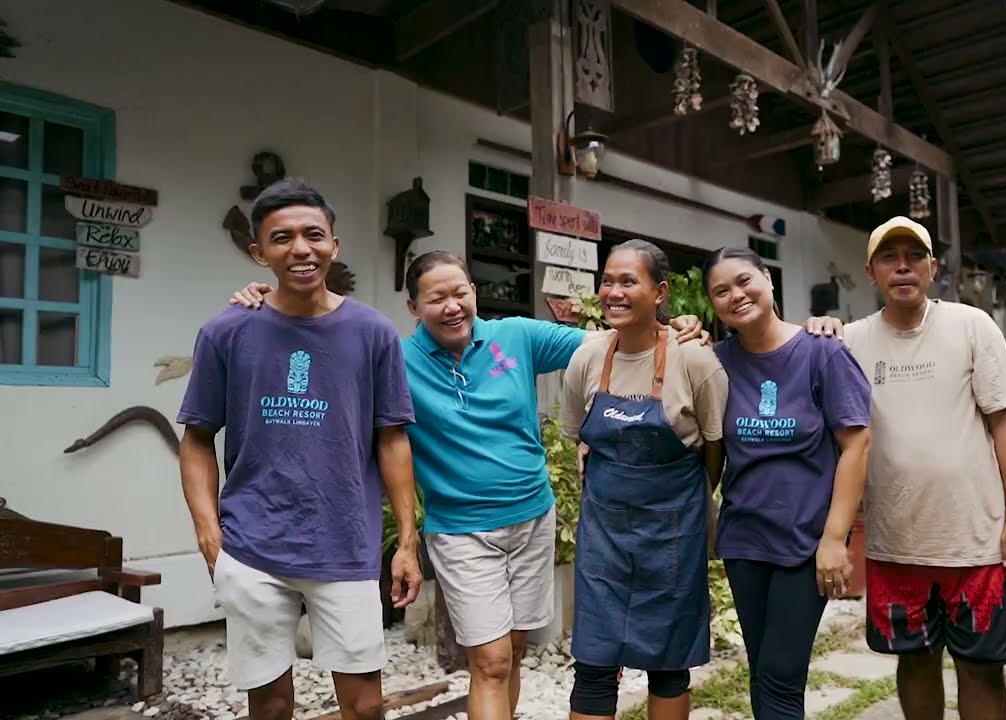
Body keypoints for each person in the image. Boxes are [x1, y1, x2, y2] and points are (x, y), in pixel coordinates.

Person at [226, 251, 707, 720]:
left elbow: (610, 341)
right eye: (436, 298)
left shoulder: (515, 335)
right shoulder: (395, 360)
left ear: (475, 293)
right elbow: (318, 354)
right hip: (461, 530)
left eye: (460, 293)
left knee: (513, 652)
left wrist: (675, 324)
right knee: (491, 660)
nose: (452, 306)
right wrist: (272, 305)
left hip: (532, 519)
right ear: (413, 308)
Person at [178, 178, 423, 720]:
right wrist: (209, 536)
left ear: (335, 245)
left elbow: (392, 437)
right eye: (282, 238)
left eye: (314, 235)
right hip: (252, 548)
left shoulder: (373, 332)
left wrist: (406, 541)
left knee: (363, 704)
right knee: (269, 703)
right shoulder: (227, 330)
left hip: (346, 544)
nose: (300, 249)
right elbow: (197, 436)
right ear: (258, 252)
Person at [805, 216, 1006, 720]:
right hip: (895, 544)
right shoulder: (849, 341)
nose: (904, 266)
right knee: (913, 661)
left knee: (981, 667)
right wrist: (816, 327)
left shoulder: (971, 325)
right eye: (890, 257)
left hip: (976, 542)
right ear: (871, 272)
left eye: (915, 255)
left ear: (932, 267)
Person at [559, 240, 728, 720]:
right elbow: (578, 438)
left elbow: (715, 449)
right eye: (608, 280)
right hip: (604, 537)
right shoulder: (588, 357)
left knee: (669, 665)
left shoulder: (694, 360)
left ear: (660, 292)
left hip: (672, 533)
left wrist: (681, 505)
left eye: (628, 281)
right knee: (592, 663)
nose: (613, 291)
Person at [702, 246, 872, 720]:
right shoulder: (716, 362)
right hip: (744, 539)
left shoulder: (823, 352)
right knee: (763, 670)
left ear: (769, 280)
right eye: (721, 291)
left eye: (744, 281)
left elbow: (857, 445)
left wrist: (836, 539)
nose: (736, 295)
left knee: (780, 671)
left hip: (806, 541)